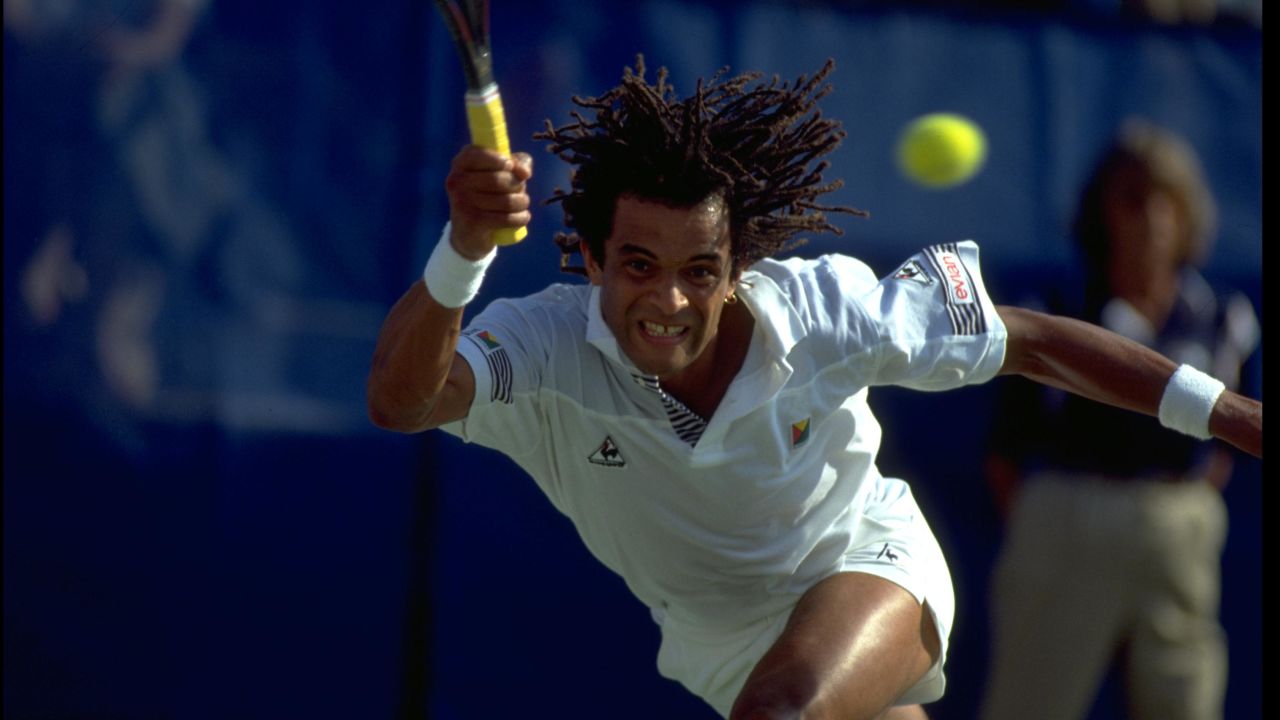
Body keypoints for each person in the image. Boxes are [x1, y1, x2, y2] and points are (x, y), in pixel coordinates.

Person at [366, 59, 1261, 720]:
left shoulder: (826, 311)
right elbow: (402, 400)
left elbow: (1029, 344)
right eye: (638, 265)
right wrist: (465, 252)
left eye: (699, 270)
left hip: (865, 567)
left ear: (738, 268)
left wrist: (1222, 410)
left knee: (785, 712)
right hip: (718, 646)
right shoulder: (546, 344)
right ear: (593, 258)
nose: (669, 300)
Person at [978, 119, 1259, 720]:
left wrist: (1178, 513)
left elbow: (1231, 441)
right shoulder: (1054, 312)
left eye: (1167, 200)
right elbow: (1005, 447)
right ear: (1102, 214)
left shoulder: (1225, 319)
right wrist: (1056, 518)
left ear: (1188, 216)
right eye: (1132, 199)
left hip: (1178, 532)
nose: (1151, 218)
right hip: (1065, 522)